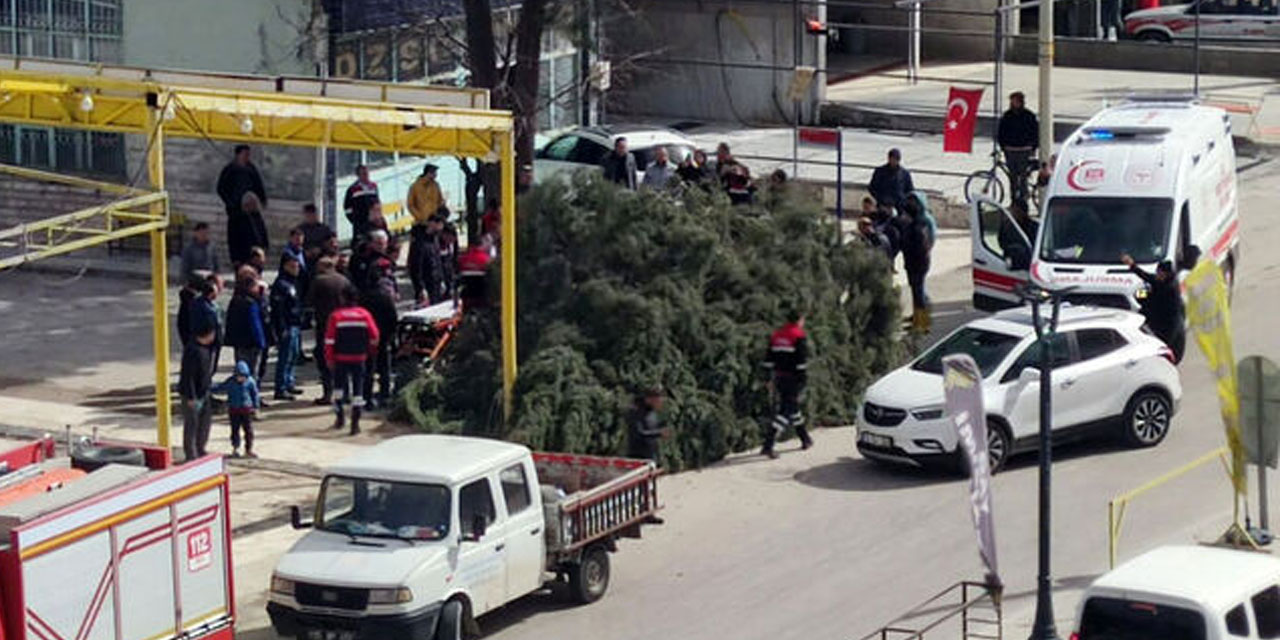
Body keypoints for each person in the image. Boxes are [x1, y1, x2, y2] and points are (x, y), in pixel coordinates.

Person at [324, 285, 381, 434]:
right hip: (359, 357)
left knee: (338, 389)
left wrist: (329, 358)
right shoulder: (365, 315)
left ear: (342, 298)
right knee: (358, 390)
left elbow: (329, 340)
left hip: (340, 358)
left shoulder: (335, 316)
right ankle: (355, 424)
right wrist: (368, 351)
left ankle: (340, 417)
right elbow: (375, 336)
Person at [762, 308, 813, 459]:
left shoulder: (777, 335)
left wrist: (767, 379)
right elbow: (801, 362)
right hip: (793, 379)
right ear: (799, 320)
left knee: (793, 408)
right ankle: (768, 444)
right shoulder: (798, 336)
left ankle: (805, 439)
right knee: (786, 411)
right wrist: (803, 380)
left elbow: (768, 359)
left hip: (779, 377)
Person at [1122, 254, 1187, 363]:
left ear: (1166, 274)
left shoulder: (1168, 287)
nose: (1157, 275)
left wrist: (1141, 295)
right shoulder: (1160, 281)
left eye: (1160, 273)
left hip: (1167, 323)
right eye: (1157, 272)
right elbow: (1147, 279)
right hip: (1155, 315)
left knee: (1162, 344)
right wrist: (1132, 266)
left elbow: (1150, 284)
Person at [307, 257, 350, 405]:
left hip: (325, 324)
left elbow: (309, 301)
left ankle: (328, 393)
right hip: (344, 324)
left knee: (325, 357)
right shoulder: (344, 280)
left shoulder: (319, 281)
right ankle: (346, 392)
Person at [216, 144, 268, 266]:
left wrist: (261, 200)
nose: (247, 157)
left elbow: (259, 186)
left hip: (251, 211)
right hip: (236, 211)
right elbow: (221, 188)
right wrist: (232, 203)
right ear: (238, 154)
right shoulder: (230, 169)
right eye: (245, 154)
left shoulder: (251, 169)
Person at [359, 260, 398, 411]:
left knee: (368, 369)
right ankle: (384, 396)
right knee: (384, 368)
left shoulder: (363, 297)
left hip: (367, 338)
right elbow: (392, 317)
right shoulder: (385, 296)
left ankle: (367, 397)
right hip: (383, 336)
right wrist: (391, 335)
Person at [179, 325, 217, 462]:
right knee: (192, 424)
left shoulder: (206, 350)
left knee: (204, 423)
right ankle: (191, 453)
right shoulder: (192, 351)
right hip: (193, 395)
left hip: (204, 392)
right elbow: (187, 376)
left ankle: (201, 448)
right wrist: (191, 396)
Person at [270, 253, 305, 400]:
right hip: (287, 326)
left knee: (294, 355)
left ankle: (289, 382)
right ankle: (280, 387)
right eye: (293, 266)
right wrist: (281, 328)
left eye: (297, 266)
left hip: (295, 324)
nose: (296, 268)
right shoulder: (281, 284)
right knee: (285, 357)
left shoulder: (293, 282)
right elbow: (278, 309)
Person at [407, 164, 444, 301]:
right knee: (421, 253)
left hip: (433, 222)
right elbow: (411, 205)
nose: (435, 176)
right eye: (433, 173)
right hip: (421, 224)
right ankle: (421, 287)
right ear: (428, 173)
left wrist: (439, 215)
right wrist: (422, 218)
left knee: (434, 252)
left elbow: (440, 201)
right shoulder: (416, 186)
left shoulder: (436, 186)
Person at [211, 360, 260, 458]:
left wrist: (256, 407)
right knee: (235, 430)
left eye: (243, 376)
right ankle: (235, 448)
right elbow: (221, 387)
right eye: (239, 376)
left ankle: (248, 449)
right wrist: (210, 387)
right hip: (234, 410)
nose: (241, 379)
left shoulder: (250, 382)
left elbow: (255, 395)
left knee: (248, 430)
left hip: (246, 409)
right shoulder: (231, 382)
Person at [998, 92, 1039, 205]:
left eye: (1015, 101)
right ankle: (1014, 199)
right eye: (1012, 101)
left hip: (1024, 150)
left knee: (1023, 176)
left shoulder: (1028, 116)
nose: (1012, 103)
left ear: (1020, 102)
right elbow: (1001, 132)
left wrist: (1033, 147)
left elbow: (1035, 132)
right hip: (1010, 150)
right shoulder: (1007, 116)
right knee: (1013, 177)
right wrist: (1003, 146)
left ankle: (1023, 199)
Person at [900, 196, 935, 332]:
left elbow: (917, 248)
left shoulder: (916, 228)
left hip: (917, 265)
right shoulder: (918, 224)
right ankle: (918, 319)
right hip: (917, 264)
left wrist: (905, 245)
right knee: (917, 292)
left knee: (918, 293)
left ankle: (923, 323)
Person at [225, 271, 267, 378]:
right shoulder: (251, 304)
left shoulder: (235, 301)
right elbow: (255, 324)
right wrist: (261, 342)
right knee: (252, 372)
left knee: (241, 369)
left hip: (238, 342)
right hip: (251, 343)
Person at [627, 387, 669, 463]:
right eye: (658, 400)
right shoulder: (637, 412)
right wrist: (659, 433)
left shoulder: (651, 411)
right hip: (638, 456)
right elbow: (638, 433)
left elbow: (651, 427)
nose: (661, 403)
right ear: (650, 399)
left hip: (651, 453)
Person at [868, 148, 915, 212]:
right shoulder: (880, 171)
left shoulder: (905, 174)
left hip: (899, 207)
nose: (894, 161)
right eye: (893, 158)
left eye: (896, 159)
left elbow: (910, 190)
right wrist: (880, 199)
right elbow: (872, 187)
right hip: (883, 206)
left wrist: (903, 200)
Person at [999, 199, 1038, 270]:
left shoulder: (1033, 227)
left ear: (1023, 212)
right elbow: (1002, 243)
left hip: (1027, 264)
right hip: (1011, 263)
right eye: (1013, 211)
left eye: (1016, 211)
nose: (1013, 213)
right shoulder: (1009, 226)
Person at [343, 165, 380, 239]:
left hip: (373, 222)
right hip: (360, 222)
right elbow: (347, 208)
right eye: (363, 174)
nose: (366, 176)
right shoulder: (353, 189)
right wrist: (354, 220)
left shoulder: (373, 186)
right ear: (358, 175)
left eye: (367, 173)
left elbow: (377, 202)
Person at [458, 237, 493, 309]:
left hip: (466, 295)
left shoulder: (464, 258)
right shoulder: (486, 260)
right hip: (482, 295)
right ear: (483, 245)